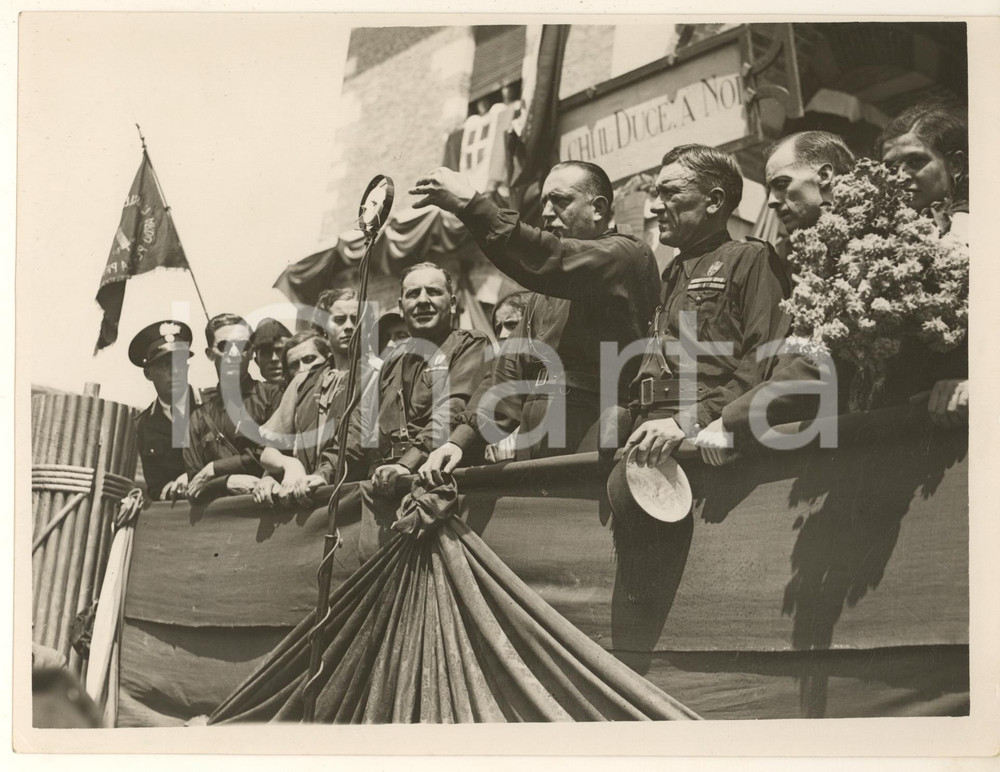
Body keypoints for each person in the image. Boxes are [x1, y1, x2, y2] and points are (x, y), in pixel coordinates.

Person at [412, 160, 660, 480]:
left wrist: (471, 204)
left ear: (598, 208)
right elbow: (507, 377)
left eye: (560, 200)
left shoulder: (625, 256)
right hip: (538, 442)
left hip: (597, 440)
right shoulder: (541, 297)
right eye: (543, 202)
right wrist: (459, 442)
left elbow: (550, 258)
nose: (545, 212)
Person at [623, 144, 793, 468]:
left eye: (669, 193)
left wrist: (691, 420)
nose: (656, 207)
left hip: (699, 434)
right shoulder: (669, 275)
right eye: (657, 194)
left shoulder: (750, 259)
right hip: (648, 430)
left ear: (713, 201)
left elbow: (762, 358)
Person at [694, 131, 856, 465]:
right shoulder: (818, 255)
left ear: (825, 176)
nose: (770, 200)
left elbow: (818, 367)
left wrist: (733, 418)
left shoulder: (865, 245)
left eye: (781, 184)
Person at [879, 99, 969, 428]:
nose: (901, 177)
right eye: (889, 168)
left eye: (916, 162)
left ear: (955, 165)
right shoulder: (876, 255)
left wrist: (982, 384)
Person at [369, 263, 491, 497]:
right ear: (401, 307)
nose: (422, 301)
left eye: (433, 292)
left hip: (444, 482)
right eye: (413, 294)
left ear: (453, 304)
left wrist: (406, 464)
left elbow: (454, 408)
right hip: (388, 483)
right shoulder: (392, 362)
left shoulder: (471, 344)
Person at [257, 288, 364, 504]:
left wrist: (319, 475)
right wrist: (285, 468)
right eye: (340, 320)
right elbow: (268, 451)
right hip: (302, 497)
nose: (349, 327)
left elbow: (357, 445)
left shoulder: (376, 373)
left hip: (349, 498)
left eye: (356, 319)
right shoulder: (302, 382)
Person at [183, 314, 283, 501]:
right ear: (209, 354)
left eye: (242, 346)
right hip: (222, 522)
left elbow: (275, 451)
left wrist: (215, 469)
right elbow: (195, 481)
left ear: (251, 351)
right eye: (224, 346)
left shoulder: (273, 397)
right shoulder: (199, 414)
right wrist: (226, 481)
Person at [129, 320, 198, 501]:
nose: (174, 371)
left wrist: (193, 478)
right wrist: (173, 489)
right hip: (175, 514)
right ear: (148, 374)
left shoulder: (210, 406)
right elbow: (155, 486)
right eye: (164, 365)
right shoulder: (143, 425)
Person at [250, 317, 292, 386]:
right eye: (266, 353)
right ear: (257, 361)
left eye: (279, 351)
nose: (274, 359)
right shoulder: (256, 395)